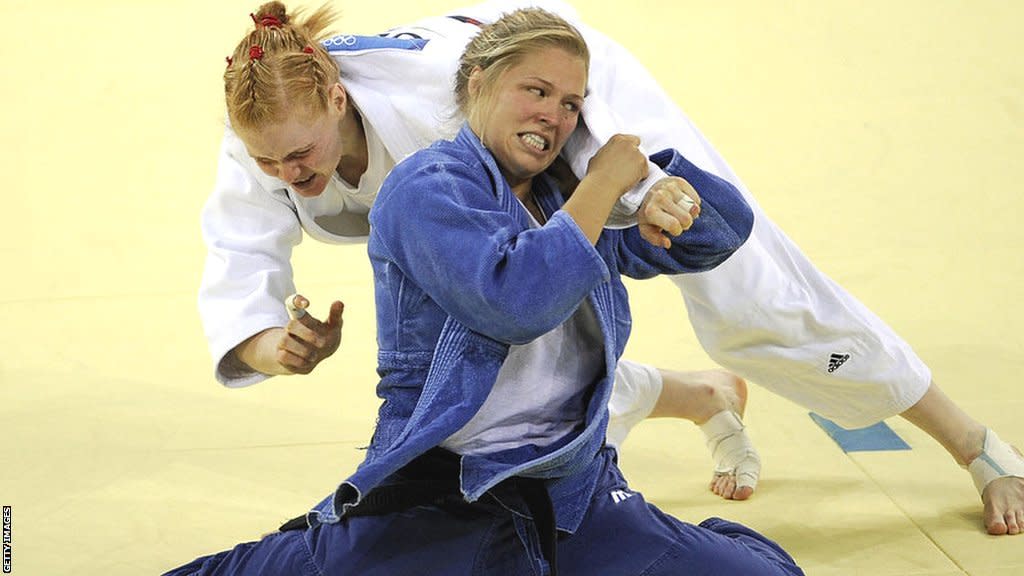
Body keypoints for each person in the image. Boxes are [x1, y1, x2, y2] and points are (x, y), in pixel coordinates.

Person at [199, 0, 1024, 535]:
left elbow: (580, 124)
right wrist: (273, 344)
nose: (289, 176)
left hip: (551, 79)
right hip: (483, 129)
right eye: (269, 164)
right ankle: (697, 397)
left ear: (337, 99)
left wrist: (650, 189)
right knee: (487, 347)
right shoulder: (272, 129)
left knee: (751, 296)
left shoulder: (436, 104)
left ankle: (975, 445)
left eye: (300, 158)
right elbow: (240, 250)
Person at [165, 9, 804, 574]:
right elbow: (517, 301)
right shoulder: (423, 189)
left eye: (570, 106)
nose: (551, 116)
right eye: (534, 92)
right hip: (446, 493)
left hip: (571, 488)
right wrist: (604, 184)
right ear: (478, 86)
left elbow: (716, 236)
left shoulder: (568, 194)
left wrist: (654, 184)